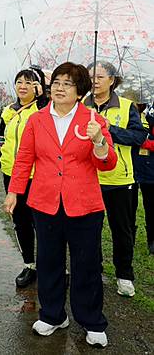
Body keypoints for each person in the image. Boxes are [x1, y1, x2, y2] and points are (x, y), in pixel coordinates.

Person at [3, 62, 117, 349]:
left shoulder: (92, 119)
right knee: (49, 262)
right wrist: (15, 191)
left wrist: (98, 139)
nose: (59, 87)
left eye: (67, 83)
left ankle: (91, 320)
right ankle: (53, 315)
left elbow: (108, 163)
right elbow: (25, 157)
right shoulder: (37, 120)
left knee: (86, 265)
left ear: (80, 91)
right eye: (56, 82)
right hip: (45, 202)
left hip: (84, 205)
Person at [85, 61, 147, 297]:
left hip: (120, 179)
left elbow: (139, 137)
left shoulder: (126, 106)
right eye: (91, 77)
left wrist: (109, 129)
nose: (95, 81)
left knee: (122, 230)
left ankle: (124, 274)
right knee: (91, 229)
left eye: (100, 76)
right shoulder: (82, 105)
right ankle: (94, 270)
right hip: (89, 178)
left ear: (112, 80)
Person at [0, 67, 48, 288]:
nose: (23, 86)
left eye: (29, 82)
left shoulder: (43, 109)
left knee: (42, 223)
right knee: (20, 221)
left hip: (37, 175)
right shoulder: (9, 111)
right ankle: (29, 265)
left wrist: (43, 97)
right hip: (12, 175)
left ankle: (51, 264)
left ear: (38, 86)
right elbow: (1, 139)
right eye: (19, 82)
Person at [133, 101, 154, 254]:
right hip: (132, 166)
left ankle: (152, 239)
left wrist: (145, 142)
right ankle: (129, 238)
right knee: (128, 207)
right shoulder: (131, 110)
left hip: (150, 169)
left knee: (151, 206)